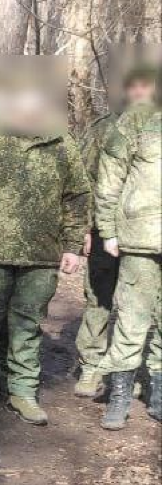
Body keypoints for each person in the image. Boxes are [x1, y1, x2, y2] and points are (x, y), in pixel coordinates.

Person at [0, 120, 89, 425]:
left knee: (28, 325)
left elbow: (77, 196)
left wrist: (72, 245)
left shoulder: (61, 143)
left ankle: (22, 391)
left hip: (42, 255)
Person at [75, 65, 159, 397]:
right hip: (103, 231)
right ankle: (92, 366)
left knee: (141, 306)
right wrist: (84, 228)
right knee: (99, 299)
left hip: (144, 235)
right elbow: (83, 183)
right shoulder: (102, 130)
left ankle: (128, 371)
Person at [95, 77, 162, 429]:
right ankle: (119, 395)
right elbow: (110, 177)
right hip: (141, 238)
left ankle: (158, 396)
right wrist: (107, 229)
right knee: (132, 320)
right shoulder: (137, 119)